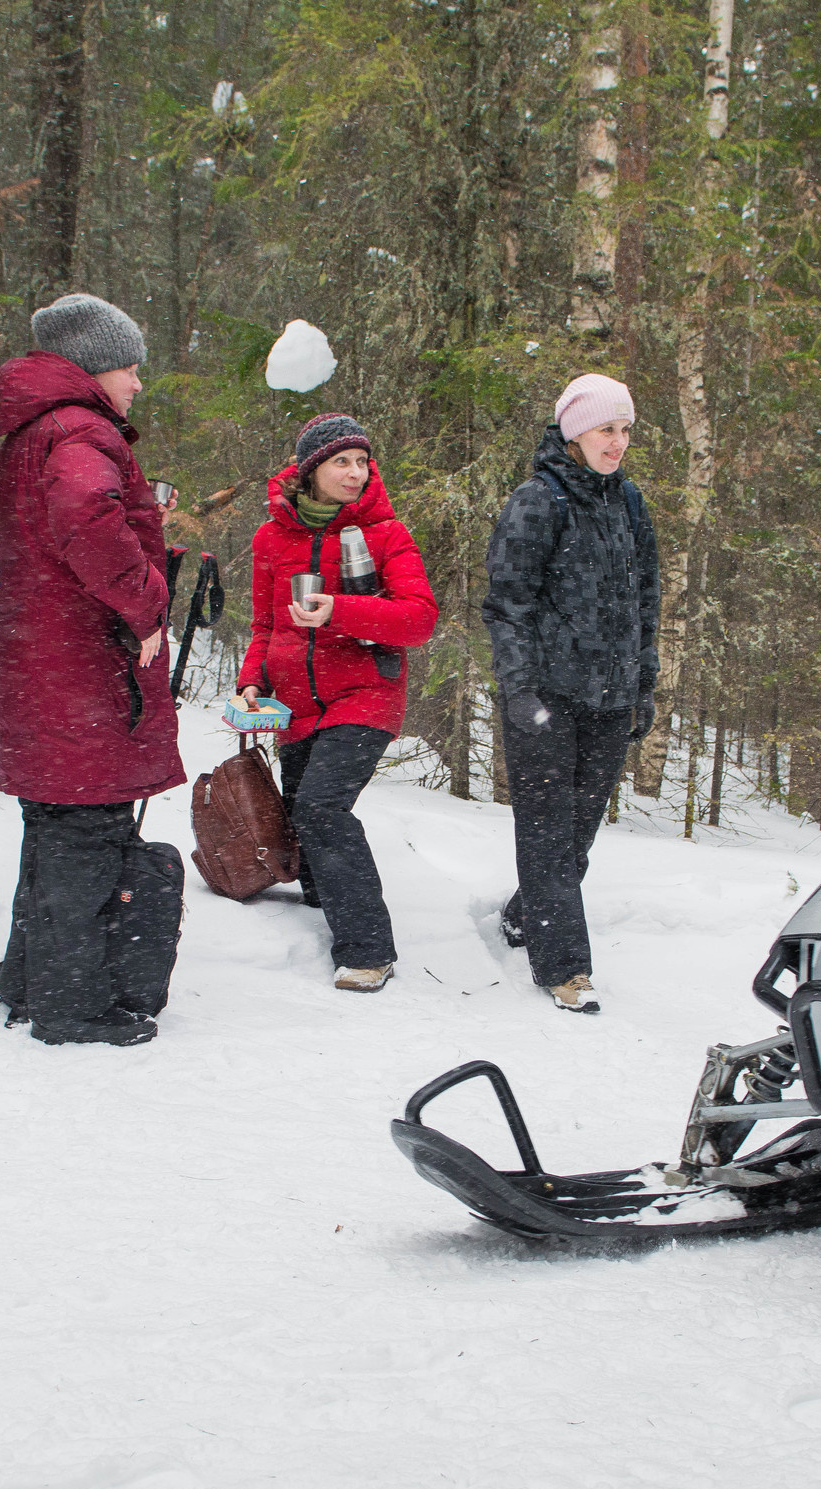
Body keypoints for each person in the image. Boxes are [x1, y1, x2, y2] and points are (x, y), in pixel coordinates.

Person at [0, 292, 186, 1047]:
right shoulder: (77, 428)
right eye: (129, 368)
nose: (137, 383)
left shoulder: (39, 429)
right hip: (81, 668)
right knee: (87, 833)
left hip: (44, 659)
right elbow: (87, 520)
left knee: (55, 828)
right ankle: (71, 1006)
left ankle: (28, 981)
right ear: (94, 367)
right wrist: (148, 606)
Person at [235, 413, 439, 992]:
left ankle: (367, 950)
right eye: (341, 462)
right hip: (296, 704)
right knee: (300, 813)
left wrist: (340, 611)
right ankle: (318, 906)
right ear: (310, 470)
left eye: (362, 462)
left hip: (365, 693)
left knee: (322, 808)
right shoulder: (272, 538)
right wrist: (253, 683)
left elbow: (419, 619)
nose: (355, 473)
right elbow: (265, 624)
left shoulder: (386, 533)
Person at [480, 374, 660, 1015]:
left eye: (625, 430)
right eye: (607, 429)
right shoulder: (537, 500)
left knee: (578, 829)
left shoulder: (628, 501)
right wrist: (520, 690)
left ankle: (526, 916)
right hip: (546, 698)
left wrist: (642, 685)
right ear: (575, 433)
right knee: (548, 832)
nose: (619, 442)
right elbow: (506, 605)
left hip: (609, 697)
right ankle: (565, 969)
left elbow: (646, 602)